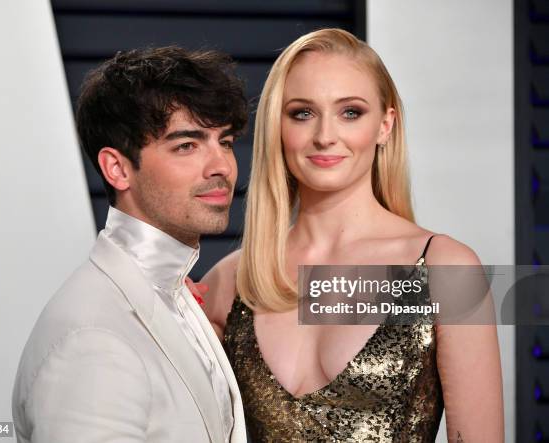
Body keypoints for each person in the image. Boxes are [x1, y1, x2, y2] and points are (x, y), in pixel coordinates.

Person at [201, 29, 504, 441]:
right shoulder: (230, 281)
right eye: (302, 113)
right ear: (277, 126)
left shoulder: (445, 269)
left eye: (350, 112)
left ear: (385, 125)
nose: (325, 135)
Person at [12, 47, 248, 443]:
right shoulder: (93, 339)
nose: (221, 166)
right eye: (186, 145)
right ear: (118, 168)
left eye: (223, 141)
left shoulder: (171, 294)